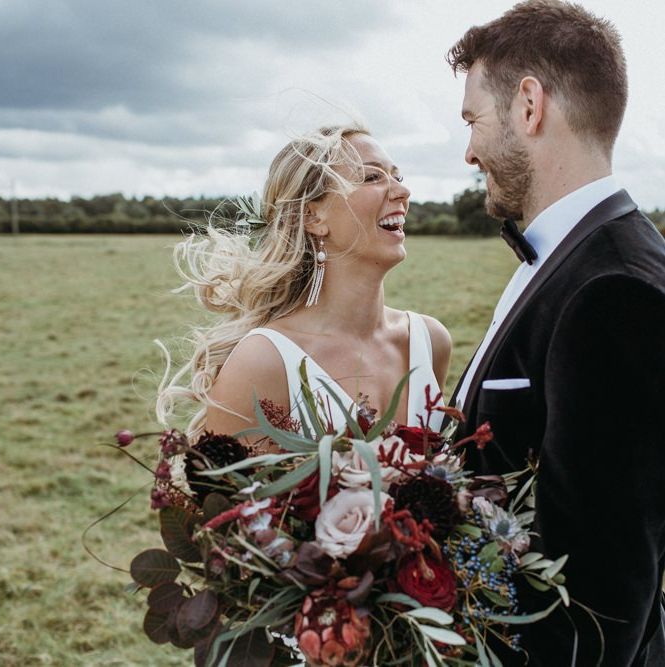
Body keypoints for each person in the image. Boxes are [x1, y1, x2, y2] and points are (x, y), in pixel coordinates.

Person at [446, 1, 665, 665]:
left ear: (528, 105)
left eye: (472, 119)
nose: (467, 150)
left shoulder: (612, 290)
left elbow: (605, 589)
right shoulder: (572, 256)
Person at [156, 124, 451, 445]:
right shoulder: (263, 362)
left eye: (398, 177)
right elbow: (232, 496)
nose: (402, 191)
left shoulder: (430, 341)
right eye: (372, 177)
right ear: (313, 216)